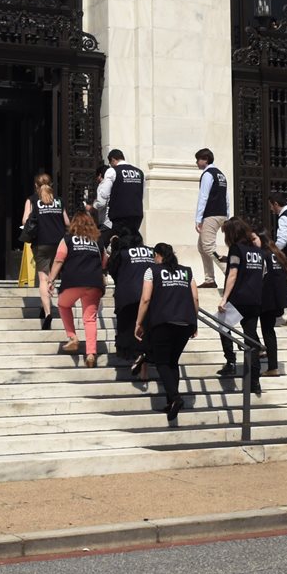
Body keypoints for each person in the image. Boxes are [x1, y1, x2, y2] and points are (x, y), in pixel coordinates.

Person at [135, 243, 199, 426]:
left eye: (154, 256)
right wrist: (194, 322)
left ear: (157, 255)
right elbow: (195, 298)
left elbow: (146, 298)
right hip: (185, 322)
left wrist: (139, 322)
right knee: (173, 361)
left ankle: (175, 398)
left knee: (162, 362)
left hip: (163, 321)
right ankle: (171, 401)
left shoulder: (152, 271)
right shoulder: (187, 271)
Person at [45, 212, 106, 368]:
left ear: (74, 224)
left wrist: (51, 279)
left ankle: (72, 337)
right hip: (93, 283)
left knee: (63, 305)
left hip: (73, 282)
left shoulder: (67, 239)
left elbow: (59, 259)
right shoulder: (97, 242)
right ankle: (91, 354)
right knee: (90, 318)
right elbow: (105, 261)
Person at [217, 217, 264, 395]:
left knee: (221, 324)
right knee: (250, 338)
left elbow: (233, 274)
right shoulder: (257, 251)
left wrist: (224, 298)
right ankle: (255, 380)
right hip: (254, 299)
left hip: (239, 298)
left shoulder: (236, 249)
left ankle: (230, 361)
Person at [21, 173, 69, 329]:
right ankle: (45, 305)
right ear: (52, 185)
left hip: (41, 243)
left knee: (43, 278)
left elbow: (24, 220)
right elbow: (67, 222)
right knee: (52, 277)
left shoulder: (33, 200)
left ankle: (48, 313)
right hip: (59, 244)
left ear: (36, 186)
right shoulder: (59, 201)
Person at [106, 228, 154, 375]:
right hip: (149, 295)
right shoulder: (151, 252)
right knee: (145, 329)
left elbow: (112, 270)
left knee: (129, 330)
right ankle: (144, 371)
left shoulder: (122, 253)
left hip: (126, 296)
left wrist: (113, 247)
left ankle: (135, 357)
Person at [194, 148, 230, 289]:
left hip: (211, 214)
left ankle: (227, 270)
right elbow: (226, 197)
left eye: (198, 159)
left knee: (208, 246)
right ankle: (210, 279)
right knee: (202, 247)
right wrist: (226, 215)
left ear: (205, 160)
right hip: (221, 213)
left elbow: (203, 196)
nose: (197, 162)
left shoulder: (208, 174)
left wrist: (198, 219)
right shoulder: (221, 175)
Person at [257, 231, 287, 378]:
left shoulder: (263, 255)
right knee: (269, 331)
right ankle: (273, 365)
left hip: (267, 298)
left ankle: (271, 365)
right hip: (279, 299)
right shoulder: (279, 254)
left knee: (266, 331)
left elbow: (260, 276)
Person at [93, 149, 145, 241]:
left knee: (121, 241)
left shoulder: (112, 171)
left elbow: (104, 194)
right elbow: (141, 194)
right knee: (133, 240)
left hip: (120, 215)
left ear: (113, 160)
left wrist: (96, 205)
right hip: (136, 214)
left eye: (110, 163)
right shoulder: (139, 172)